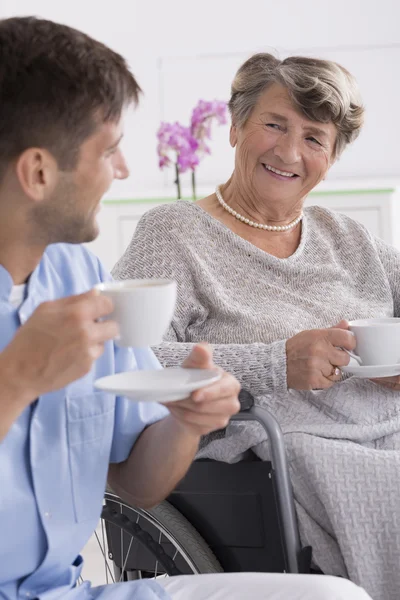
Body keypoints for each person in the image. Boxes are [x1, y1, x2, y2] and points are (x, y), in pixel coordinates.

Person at [0, 16, 371, 600]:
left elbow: (135, 483)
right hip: (293, 462)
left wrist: (185, 421)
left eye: (315, 137)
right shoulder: (172, 235)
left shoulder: (81, 280)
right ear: (39, 171)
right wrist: (17, 379)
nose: (123, 170)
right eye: (110, 151)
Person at [113, 52, 400, 600]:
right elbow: (131, 358)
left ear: (332, 156)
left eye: (315, 138)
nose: (290, 152)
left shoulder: (349, 238)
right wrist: (276, 362)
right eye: (274, 125)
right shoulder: (173, 234)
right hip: (290, 450)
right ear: (238, 127)